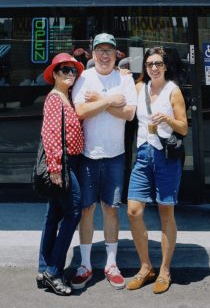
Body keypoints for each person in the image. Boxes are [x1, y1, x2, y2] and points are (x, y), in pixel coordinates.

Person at [71, 33, 137, 290]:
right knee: (87, 209)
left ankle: (111, 264)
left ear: (116, 54)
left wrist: (97, 101)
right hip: (88, 155)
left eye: (109, 50)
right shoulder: (84, 78)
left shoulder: (124, 78)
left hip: (115, 155)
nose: (105, 55)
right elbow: (80, 111)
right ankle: (85, 264)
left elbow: (129, 113)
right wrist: (109, 100)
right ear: (93, 53)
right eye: (100, 50)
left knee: (111, 208)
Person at [125, 47, 188, 294]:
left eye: (158, 64)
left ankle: (164, 270)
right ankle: (145, 267)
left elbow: (183, 128)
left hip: (165, 157)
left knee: (166, 212)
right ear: (145, 67)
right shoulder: (139, 88)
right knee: (133, 211)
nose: (154, 68)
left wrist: (167, 119)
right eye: (150, 64)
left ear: (165, 66)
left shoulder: (173, 91)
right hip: (143, 154)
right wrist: (121, 72)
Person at [37, 52, 85, 296]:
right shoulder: (55, 98)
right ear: (54, 74)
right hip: (63, 164)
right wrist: (55, 168)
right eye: (65, 70)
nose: (70, 74)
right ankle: (54, 271)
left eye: (73, 70)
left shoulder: (67, 97)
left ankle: (43, 268)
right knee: (74, 211)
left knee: (53, 214)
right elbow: (51, 134)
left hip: (70, 162)